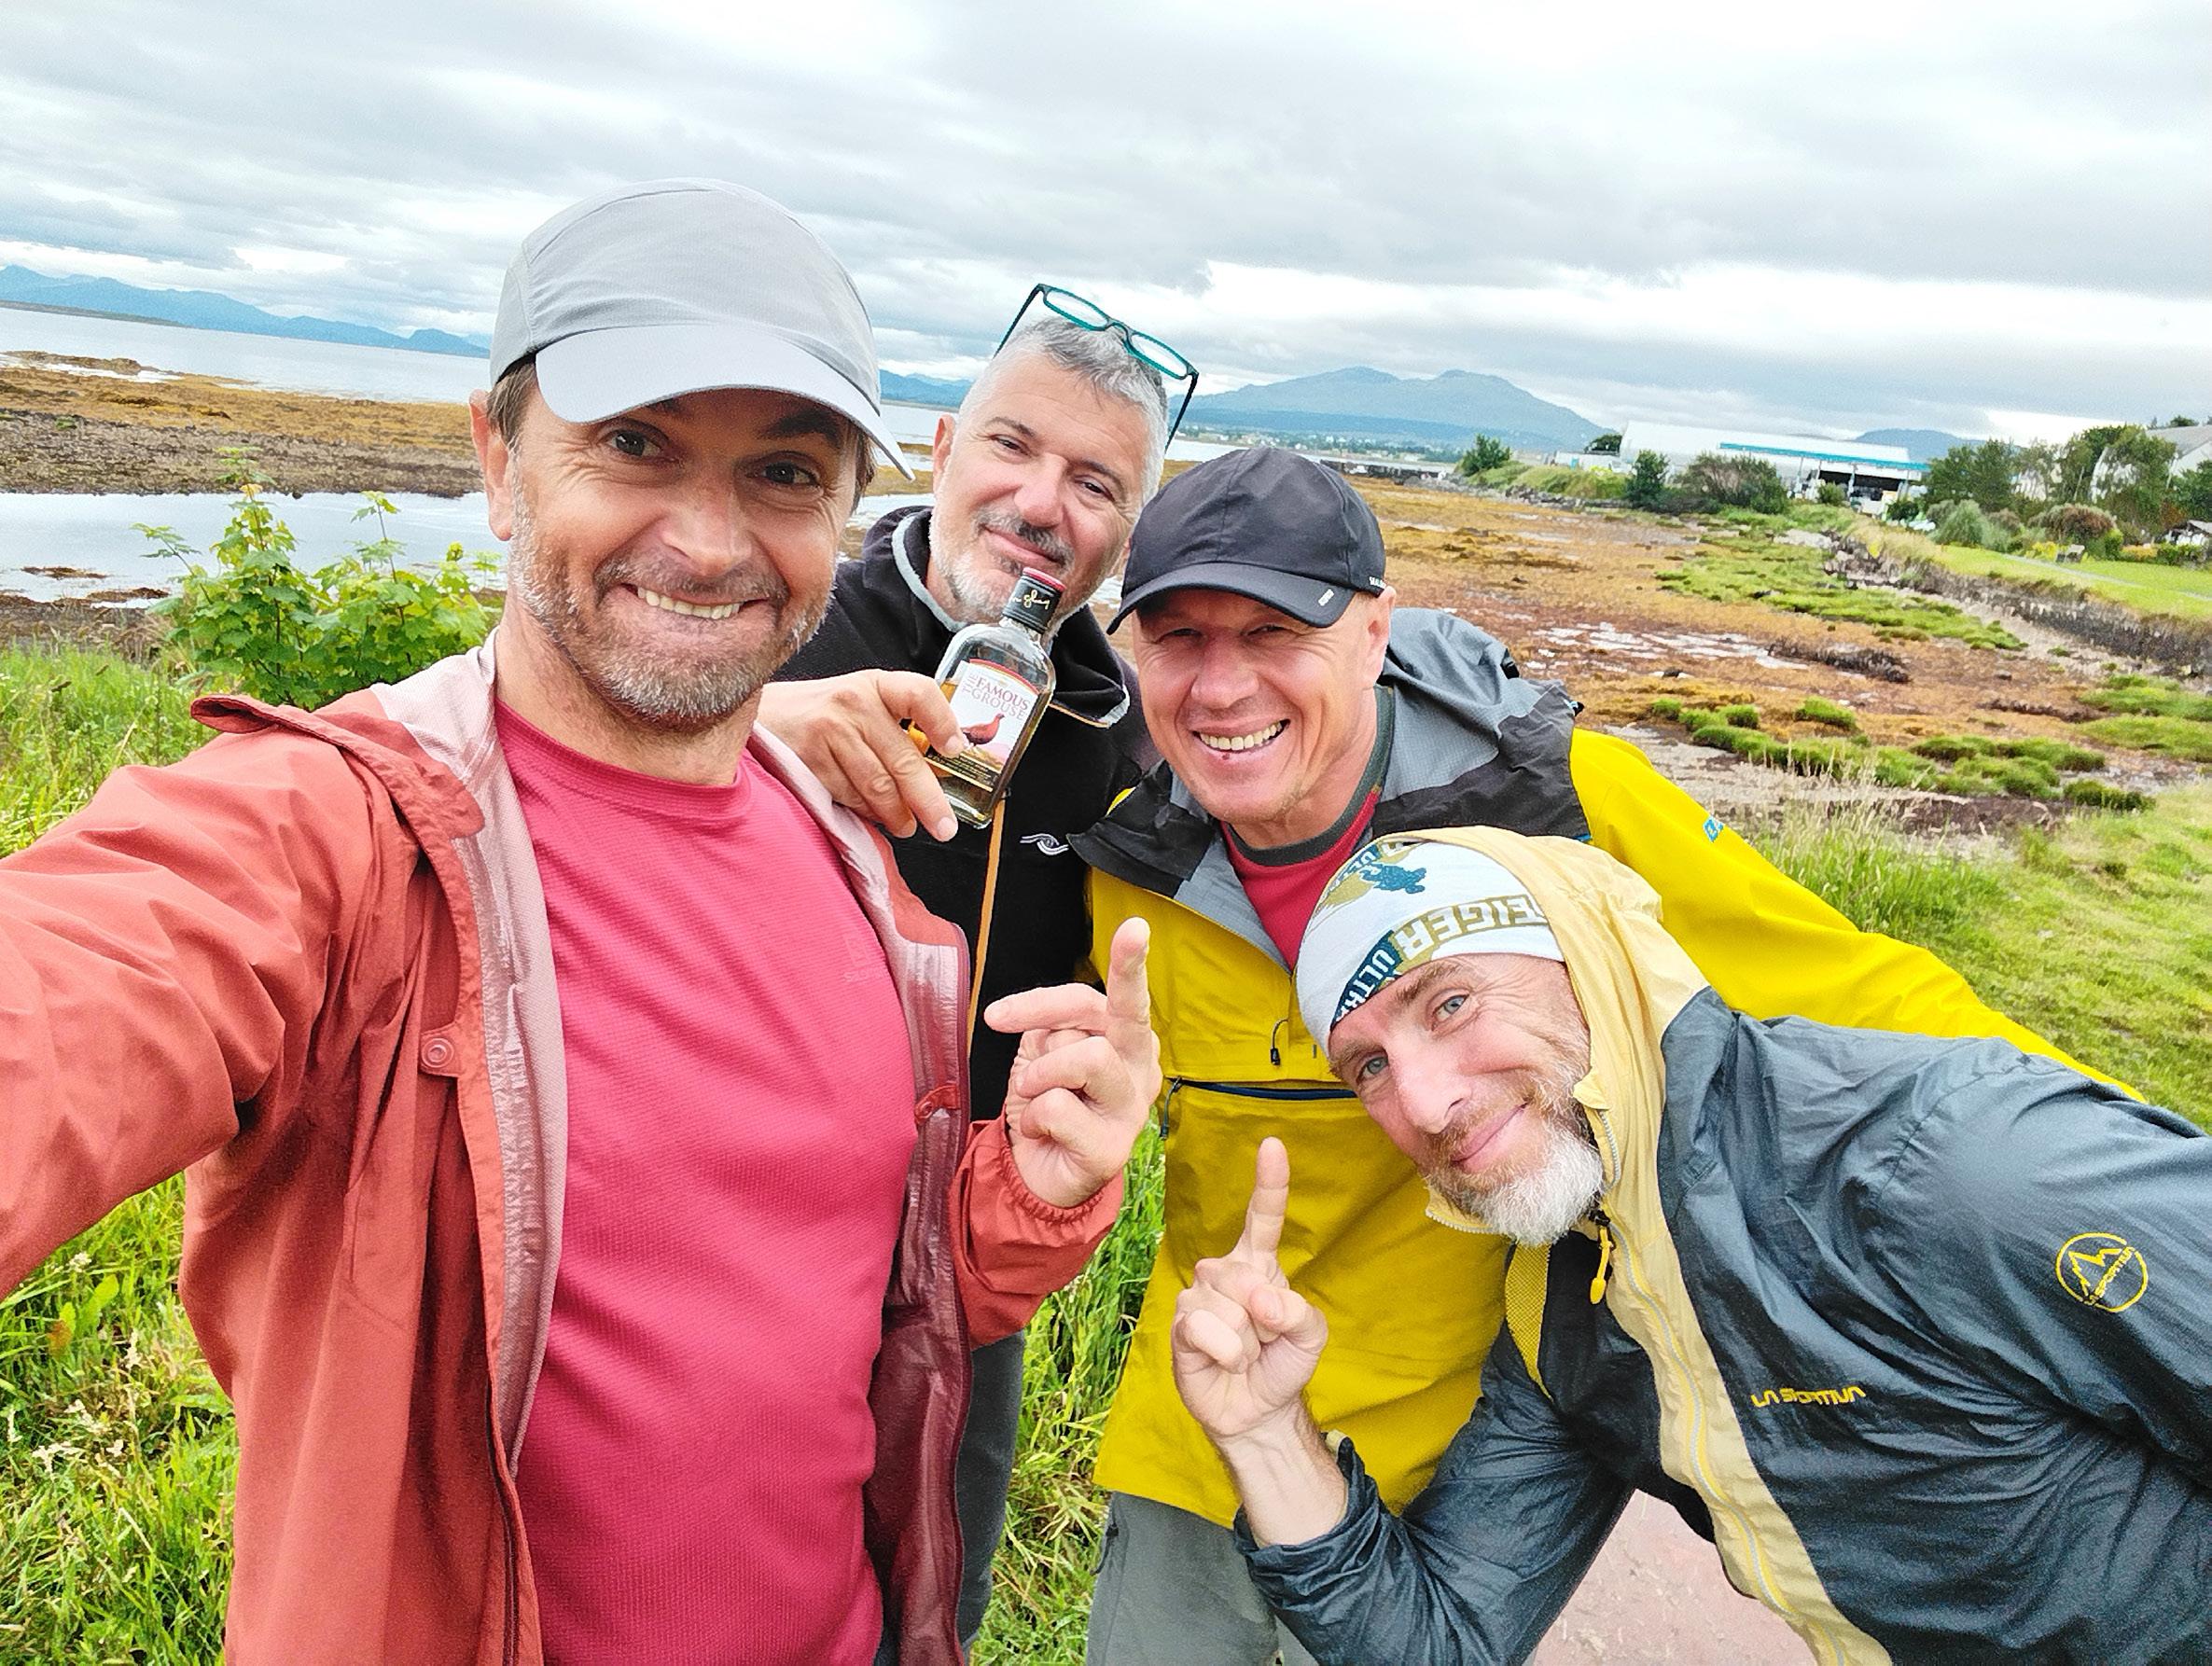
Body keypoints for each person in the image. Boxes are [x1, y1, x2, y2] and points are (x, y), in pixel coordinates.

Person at [0, 179, 1162, 1666]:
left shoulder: (852, 865)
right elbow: (84, 982)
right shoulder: (340, 838)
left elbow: (851, 1274)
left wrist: (1030, 1188)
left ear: (840, 513)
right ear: (498, 460)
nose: (708, 538)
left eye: (782, 471)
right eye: (634, 444)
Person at [1069, 445, 2108, 1665]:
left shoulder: (1556, 800)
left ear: (1372, 631)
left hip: (1488, 1447)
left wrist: (2099, 1160)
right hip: (1216, 1414)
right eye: (1177, 638)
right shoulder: (1130, 873)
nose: (1219, 683)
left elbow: (1849, 985)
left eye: (1271, 631)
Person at [1174, 827, 2212, 1664]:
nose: (1423, 1103)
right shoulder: (1564, 1312)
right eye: (1367, 1069)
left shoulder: (1953, 1166)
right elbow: (1440, 1645)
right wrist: (1266, 1434)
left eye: (1450, 1003)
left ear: (1591, 957)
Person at [759, 294, 1180, 1641]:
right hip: (737, 1223)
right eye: (1011, 444)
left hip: (968, 1245)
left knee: (934, 1590)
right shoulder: (776, 622)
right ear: (940, 447)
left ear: (1122, 533)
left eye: (1094, 483)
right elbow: (541, 746)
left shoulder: (1117, 735)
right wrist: (750, 720)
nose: (1041, 502)